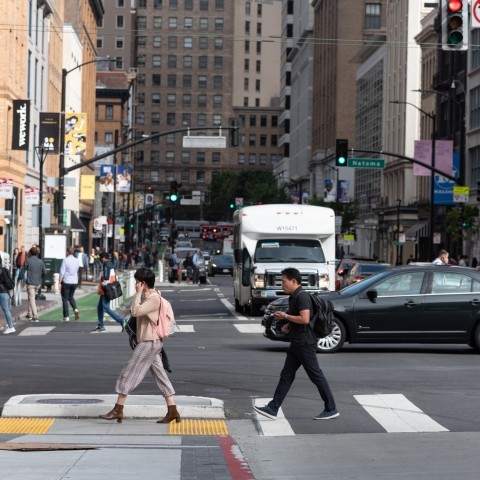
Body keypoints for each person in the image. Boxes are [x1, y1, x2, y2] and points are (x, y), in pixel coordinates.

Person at [253, 267, 339, 421]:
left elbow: (305, 319)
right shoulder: (294, 296)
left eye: (284, 281)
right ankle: (273, 408)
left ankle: (331, 408)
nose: (282, 285)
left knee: (316, 376)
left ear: (294, 281)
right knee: (286, 375)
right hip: (297, 343)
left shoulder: (302, 297)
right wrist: (289, 325)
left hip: (305, 343)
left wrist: (286, 315)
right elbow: (300, 319)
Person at [99, 268, 180, 424]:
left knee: (129, 372)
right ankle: (173, 410)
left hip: (149, 342)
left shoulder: (154, 299)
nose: (135, 284)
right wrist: (140, 294)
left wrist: (137, 293)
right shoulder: (147, 297)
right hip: (150, 342)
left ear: (143, 283)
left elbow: (135, 311)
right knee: (161, 377)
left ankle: (118, 409)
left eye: (137, 281)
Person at [92, 252, 125, 333]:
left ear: (103, 258)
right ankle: (100, 325)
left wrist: (102, 286)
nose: (100, 260)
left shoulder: (107, 265)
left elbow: (106, 278)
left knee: (106, 308)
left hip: (106, 289)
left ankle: (121, 321)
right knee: (100, 307)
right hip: (107, 289)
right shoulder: (110, 264)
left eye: (100, 258)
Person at [21, 246, 46, 322]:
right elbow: (45, 272)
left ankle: (35, 316)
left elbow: (22, 271)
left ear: (30, 253)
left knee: (32, 299)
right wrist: (41, 277)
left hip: (31, 283)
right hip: (38, 283)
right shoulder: (41, 261)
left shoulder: (28, 261)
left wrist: (20, 279)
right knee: (30, 297)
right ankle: (29, 314)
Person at [59, 247, 80, 322]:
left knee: (65, 299)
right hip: (74, 281)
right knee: (71, 297)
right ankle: (75, 309)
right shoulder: (77, 260)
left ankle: (66, 316)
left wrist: (59, 282)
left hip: (66, 281)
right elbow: (77, 270)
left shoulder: (65, 260)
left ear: (67, 252)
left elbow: (62, 272)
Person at [0, 256, 15, 334]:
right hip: (5, 292)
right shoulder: (4, 269)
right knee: (6, 310)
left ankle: (11, 326)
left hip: (1, 292)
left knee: (6, 310)